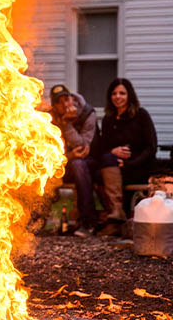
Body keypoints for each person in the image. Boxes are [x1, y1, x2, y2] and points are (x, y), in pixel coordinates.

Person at [97, 78, 157, 234]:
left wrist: (131, 163)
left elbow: (151, 148)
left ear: (129, 95)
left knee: (106, 169)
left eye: (122, 93)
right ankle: (115, 215)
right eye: (114, 93)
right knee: (98, 170)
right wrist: (113, 151)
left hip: (138, 166)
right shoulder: (108, 119)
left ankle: (117, 217)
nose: (118, 97)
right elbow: (102, 147)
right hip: (114, 167)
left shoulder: (141, 115)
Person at [47, 84, 98, 236]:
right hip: (63, 161)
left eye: (66, 99)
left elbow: (82, 148)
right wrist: (69, 156)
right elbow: (47, 152)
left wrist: (67, 124)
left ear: (72, 98)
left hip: (89, 162)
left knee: (78, 165)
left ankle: (88, 222)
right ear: (54, 106)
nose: (65, 104)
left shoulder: (87, 113)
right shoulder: (48, 118)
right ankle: (39, 218)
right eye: (59, 102)